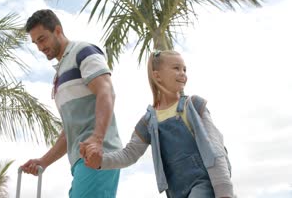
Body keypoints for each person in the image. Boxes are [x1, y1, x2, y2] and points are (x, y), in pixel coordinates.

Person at [80, 50, 234, 198]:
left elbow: (216, 148)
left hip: (204, 183)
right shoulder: (148, 121)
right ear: (157, 76)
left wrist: (224, 190)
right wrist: (101, 161)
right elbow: (129, 154)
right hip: (175, 190)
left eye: (184, 69)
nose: (183, 74)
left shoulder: (194, 106)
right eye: (176, 68)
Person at [20, 9, 123, 197]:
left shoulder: (83, 52)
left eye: (42, 39)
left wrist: (98, 139)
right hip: (79, 161)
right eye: (35, 43)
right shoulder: (59, 75)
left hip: (98, 154)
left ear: (57, 30)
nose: (39, 47)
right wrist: (44, 161)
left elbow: (106, 91)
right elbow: (70, 131)